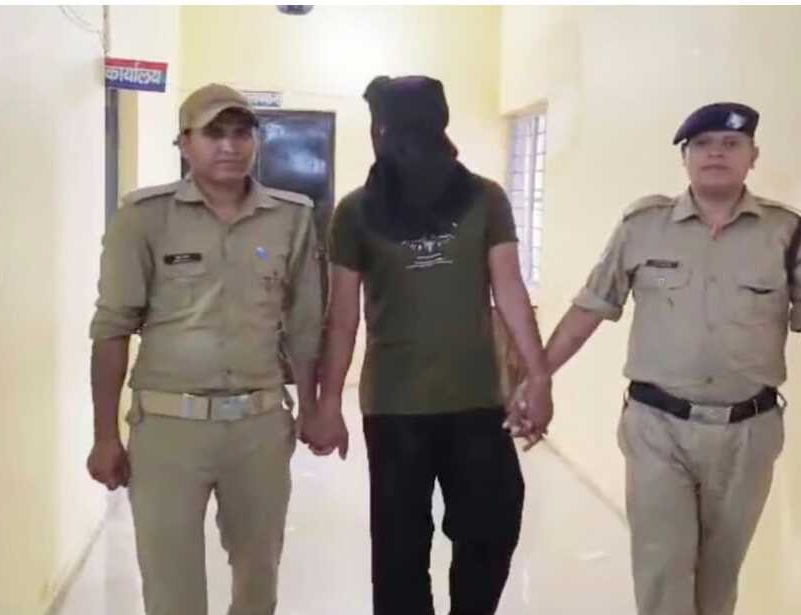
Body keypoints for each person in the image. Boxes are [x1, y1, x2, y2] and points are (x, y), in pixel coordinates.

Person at [530, 102, 801, 615]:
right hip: (658, 427)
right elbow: (591, 307)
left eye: (731, 144)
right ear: (685, 157)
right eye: (702, 144)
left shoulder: (788, 232)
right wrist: (537, 377)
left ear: (753, 156)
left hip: (748, 432)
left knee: (719, 578)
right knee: (663, 570)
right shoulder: (642, 225)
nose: (716, 153)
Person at [306, 75, 552, 615]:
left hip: (477, 399)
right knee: (399, 548)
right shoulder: (356, 211)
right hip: (395, 407)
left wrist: (538, 377)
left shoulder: (484, 198)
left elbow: (509, 289)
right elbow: (342, 318)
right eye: (385, 129)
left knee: (492, 525)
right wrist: (328, 403)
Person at [86, 83, 322, 615]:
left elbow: (305, 323)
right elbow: (111, 328)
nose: (230, 146)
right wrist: (105, 436)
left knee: (258, 578)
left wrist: (312, 408)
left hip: (259, 427)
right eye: (214, 133)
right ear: (184, 143)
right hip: (169, 430)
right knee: (170, 586)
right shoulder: (144, 218)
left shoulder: (291, 218)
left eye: (242, 133)